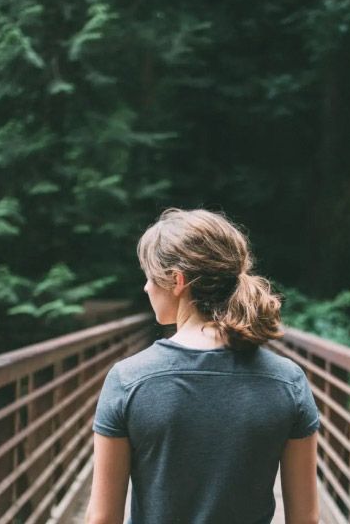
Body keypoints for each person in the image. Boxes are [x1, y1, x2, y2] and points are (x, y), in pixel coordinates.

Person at [85, 208, 321, 524]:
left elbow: (102, 519)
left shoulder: (129, 380)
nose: (146, 288)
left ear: (177, 280)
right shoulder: (287, 381)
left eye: (149, 277)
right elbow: (305, 519)